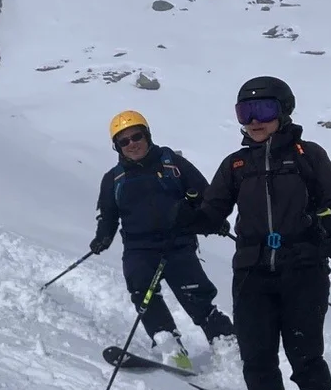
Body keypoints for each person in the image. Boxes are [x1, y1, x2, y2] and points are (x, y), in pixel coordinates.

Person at [186, 76, 331, 390]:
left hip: (303, 268)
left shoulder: (308, 156)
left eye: (263, 110)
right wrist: (188, 217)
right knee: (256, 354)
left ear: (283, 111)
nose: (254, 121)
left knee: (305, 354)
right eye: (245, 112)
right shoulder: (236, 165)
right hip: (252, 273)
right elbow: (212, 211)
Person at [91, 110, 235, 370]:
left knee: (196, 296)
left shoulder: (173, 164)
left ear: (147, 135)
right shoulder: (114, 178)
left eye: (136, 136)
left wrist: (209, 220)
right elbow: (109, 215)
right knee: (143, 295)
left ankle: (227, 346)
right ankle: (170, 347)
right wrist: (103, 237)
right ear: (117, 146)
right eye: (124, 141)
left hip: (178, 243)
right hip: (139, 248)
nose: (132, 144)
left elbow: (207, 196)